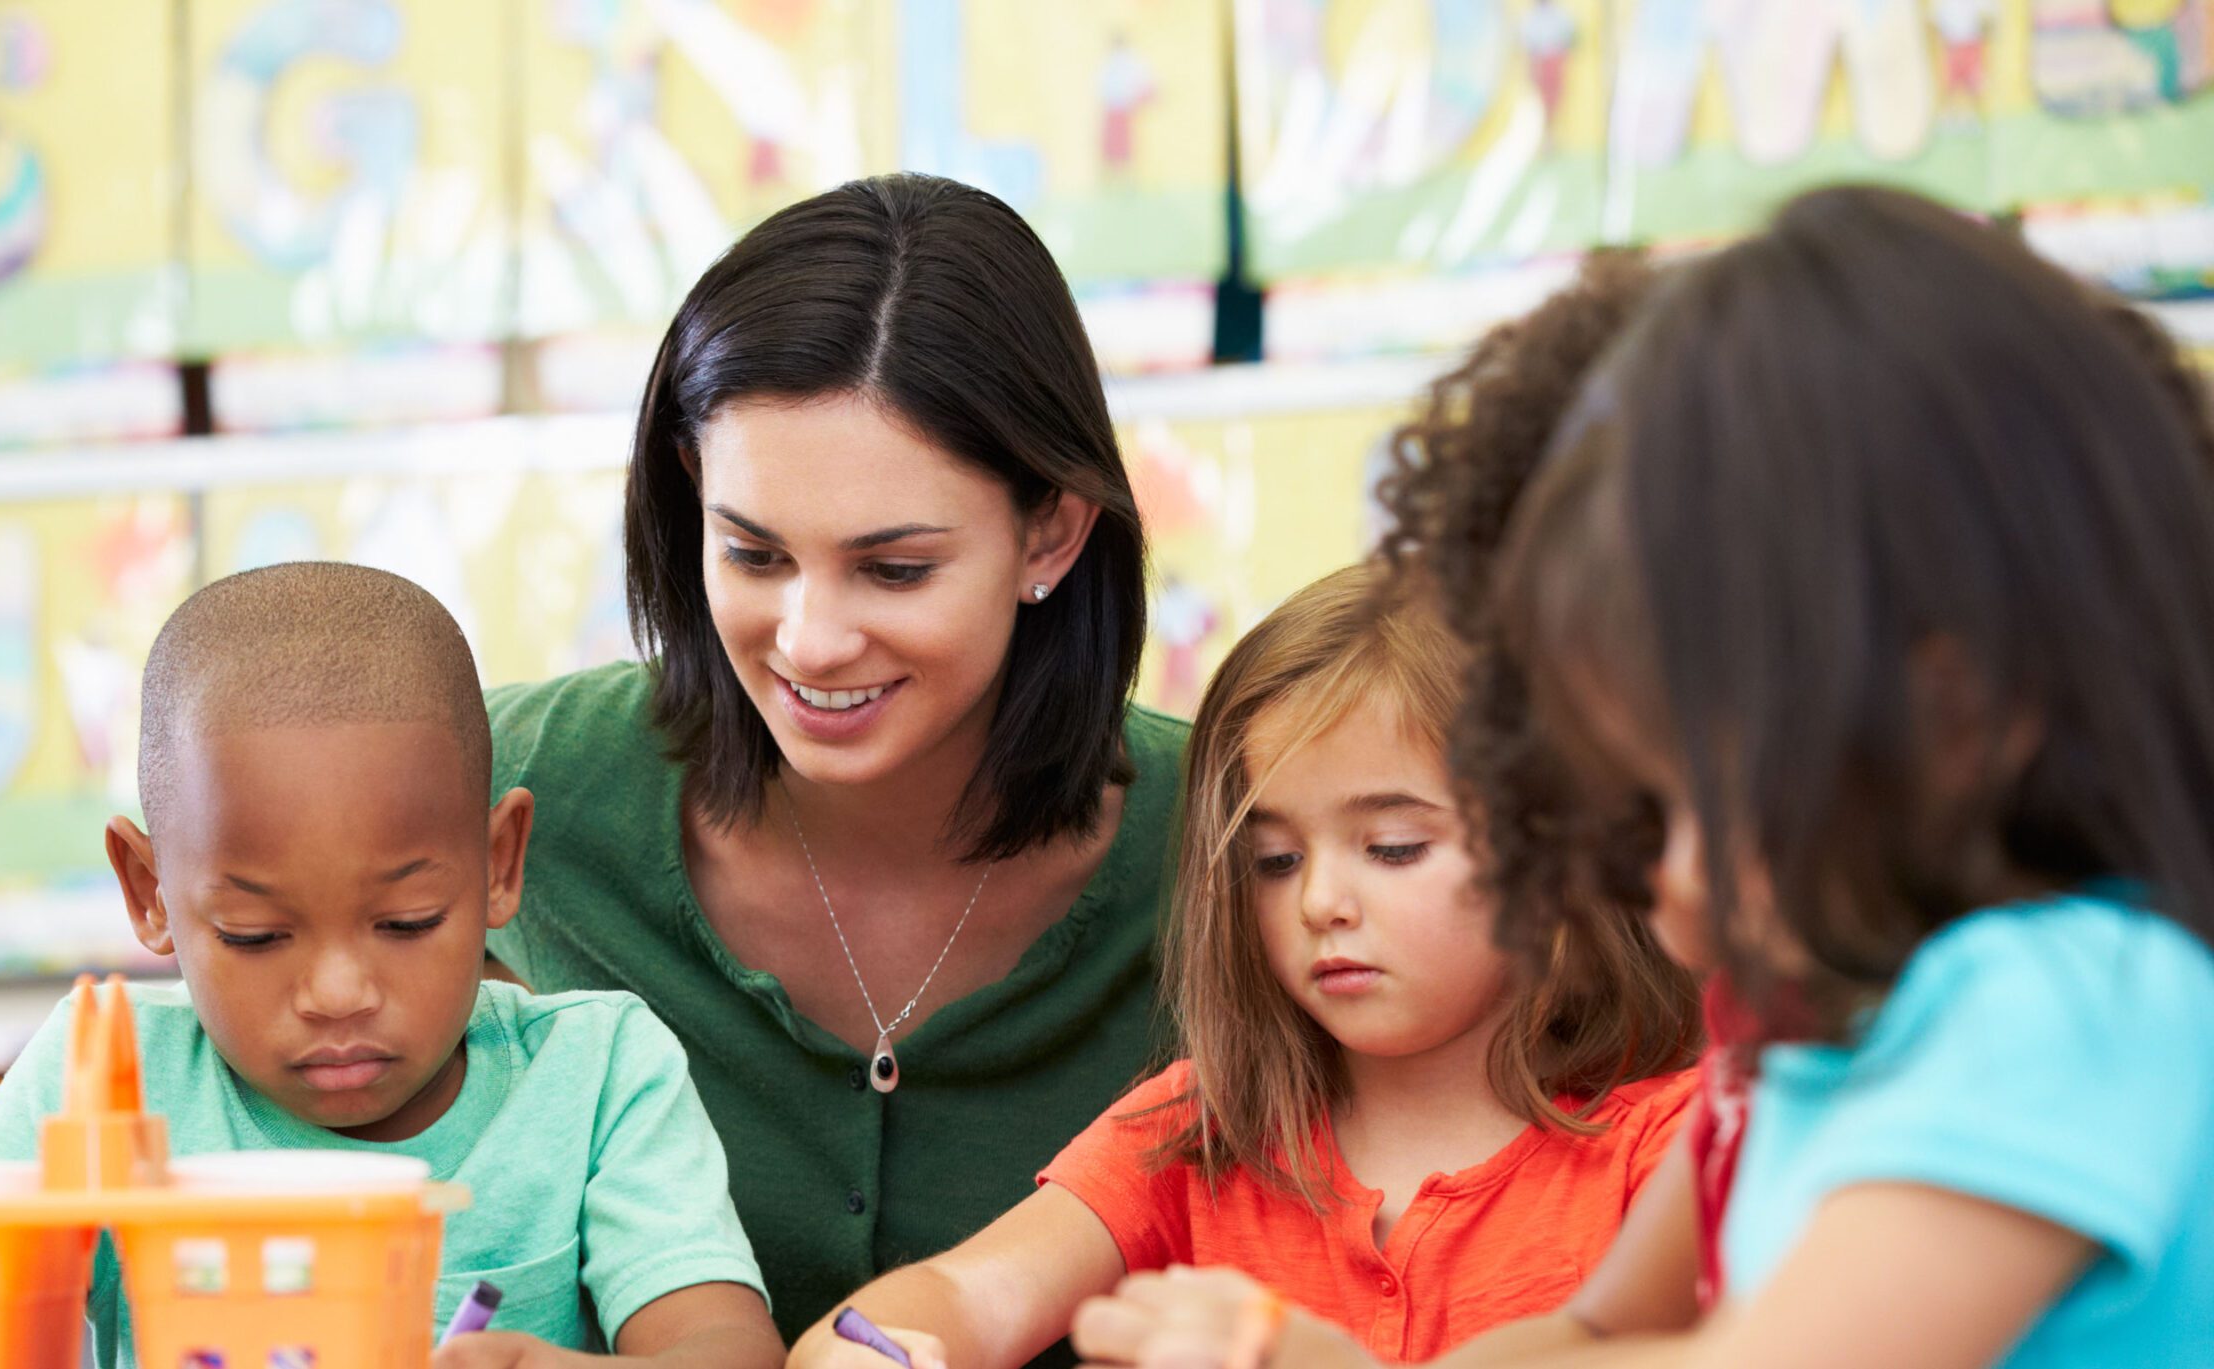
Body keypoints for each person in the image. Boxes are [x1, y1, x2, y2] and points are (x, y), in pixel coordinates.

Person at [1073, 186, 2214, 1369]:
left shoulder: (2071, 1000)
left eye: (1681, 810)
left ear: (1952, 712)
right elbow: (1596, 1328)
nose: (1659, 892)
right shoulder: (1797, 1033)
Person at [482, 173, 1188, 1353]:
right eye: (753, 553)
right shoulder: (517, 785)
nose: (808, 640)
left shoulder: (1241, 833)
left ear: (1051, 532)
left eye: (894, 568)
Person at [788, 563, 1696, 1369]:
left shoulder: (1676, 1150)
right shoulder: (1199, 1128)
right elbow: (970, 1295)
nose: (1319, 903)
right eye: (1273, 860)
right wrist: (872, 1347)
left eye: (1391, 846)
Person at [0, 562, 780, 1369]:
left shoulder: (598, 1076)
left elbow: (729, 1349)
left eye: (406, 922)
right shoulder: (100, 1081)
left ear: (498, 863)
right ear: (150, 892)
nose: (339, 993)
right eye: (254, 934)